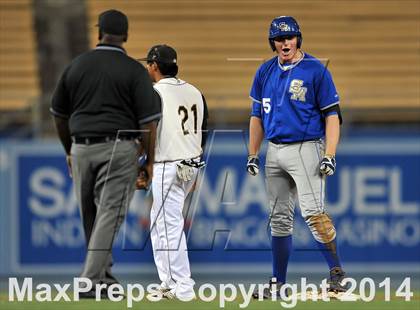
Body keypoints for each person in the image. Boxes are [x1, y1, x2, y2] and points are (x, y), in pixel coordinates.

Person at [50, 9, 160, 298]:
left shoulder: (76, 66)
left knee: (92, 216)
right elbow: (148, 121)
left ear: (99, 32)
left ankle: (104, 280)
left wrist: (69, 151)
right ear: (125, 35)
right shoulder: (134, 70)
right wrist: (148, 161)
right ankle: (89, 281)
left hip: (81, 147)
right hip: (119, 148)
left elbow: (59, 115)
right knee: (109, 214)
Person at [246, 16, 346, 298]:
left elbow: (332, 115)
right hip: (274, 150)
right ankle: (278, 282)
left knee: (314, 214)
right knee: (278, 220)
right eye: (280, 38)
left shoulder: (315, 69)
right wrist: (253, 154)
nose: (285, 42)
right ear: (273, 42)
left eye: (290, 37)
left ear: (298, 39)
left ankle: (336, 272)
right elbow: (256, 116)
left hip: (306, 147)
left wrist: (330, 153)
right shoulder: (264, 71)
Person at [137, 44, 208, 301]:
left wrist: (142, 165)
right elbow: (205, 129)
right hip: (189, 162)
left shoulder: (154, 92)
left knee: (169, 224)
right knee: (160, 222)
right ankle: (167, 282)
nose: (147, 67)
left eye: (148, 63)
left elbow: (148, 130)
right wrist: (195, 160)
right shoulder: (194, 91)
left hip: (168, 164)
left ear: (154, 66)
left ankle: (183, 285)